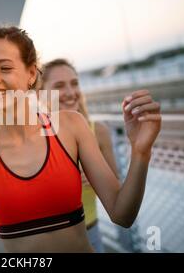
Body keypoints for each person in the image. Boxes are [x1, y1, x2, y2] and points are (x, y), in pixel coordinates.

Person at [0, 26, 162, 252]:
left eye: (4, 67)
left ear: (32, 74)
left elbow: (122, 214)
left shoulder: (71, 126)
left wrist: (140, 151)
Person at [41, 58, 120, 252]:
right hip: (49, 242)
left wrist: (94, 176)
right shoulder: (33, 136)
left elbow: (117, 189)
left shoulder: (98, 131)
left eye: (74, 83)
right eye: (59, 86)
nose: (70, 92)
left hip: (91, 234)